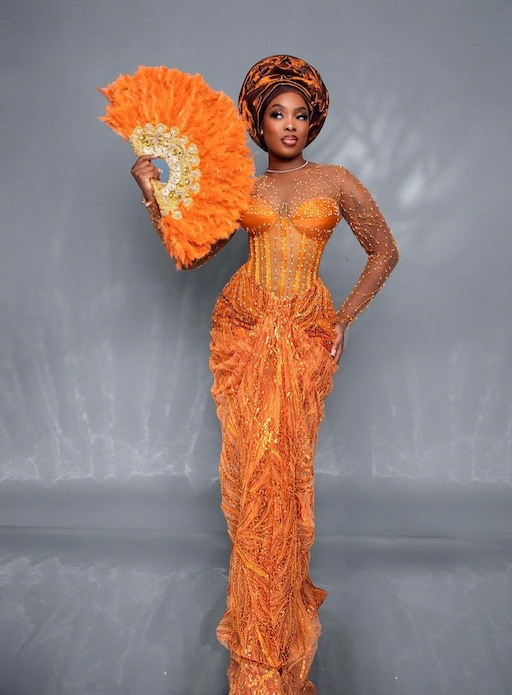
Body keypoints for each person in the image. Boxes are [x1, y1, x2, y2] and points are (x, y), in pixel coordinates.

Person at [131, 54, 398, 695]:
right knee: (255, 478)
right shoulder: (242, 189)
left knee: (285, 477)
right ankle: (258, 637)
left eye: (301, 114)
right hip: (246, 332)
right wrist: (151, 192)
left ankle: (278, 622)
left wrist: (344, 319)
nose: (290, 124)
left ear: (314, 122)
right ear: (260, 123)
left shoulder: (335, 181)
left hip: (303, 336)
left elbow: (384, 251)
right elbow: (192, 255)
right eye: (277, 113)